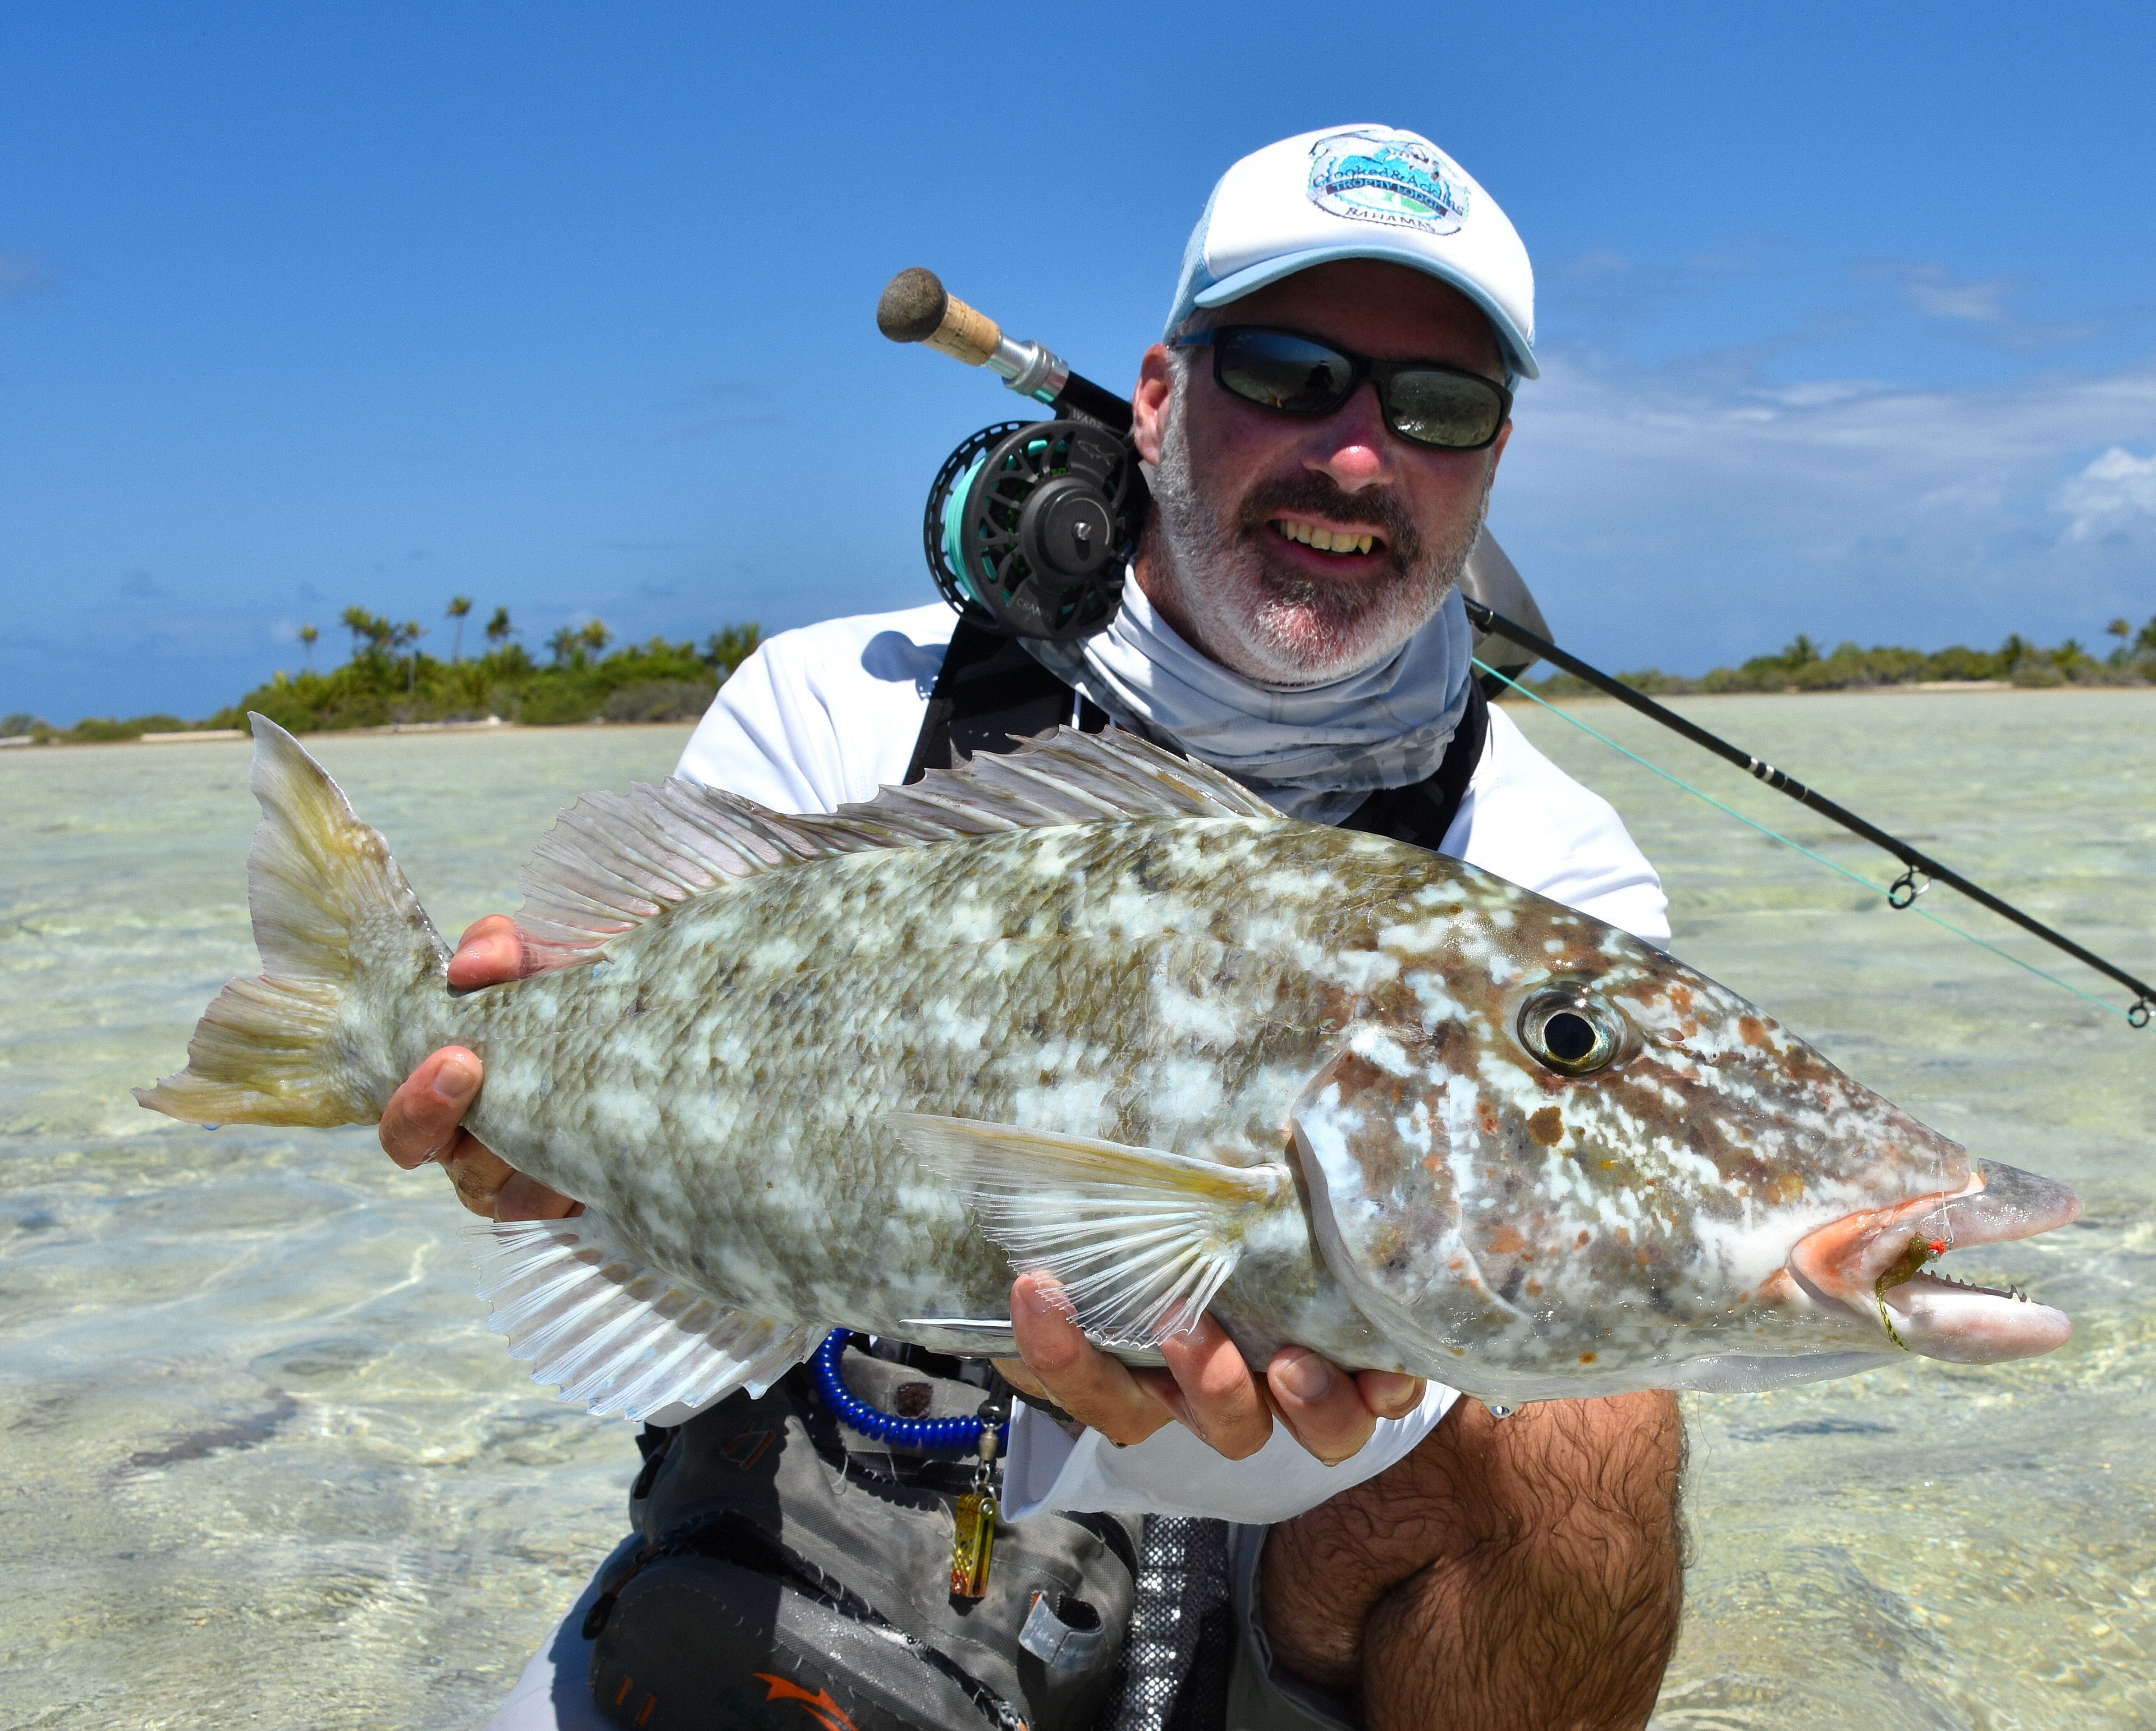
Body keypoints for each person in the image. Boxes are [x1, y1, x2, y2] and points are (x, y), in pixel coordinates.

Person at [381, 125, 1685, 1731]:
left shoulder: (1551, 850)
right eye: (1286, 372)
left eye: (1439, 409)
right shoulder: (834, 703)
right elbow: (658, 1097)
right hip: (840, 1486)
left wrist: (1280, 1416)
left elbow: (1509, 1309)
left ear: (1488, 464)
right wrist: (540, 1137)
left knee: (1605, 1434)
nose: (1360, 456)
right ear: (1154, 401)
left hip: (1299, 1534)